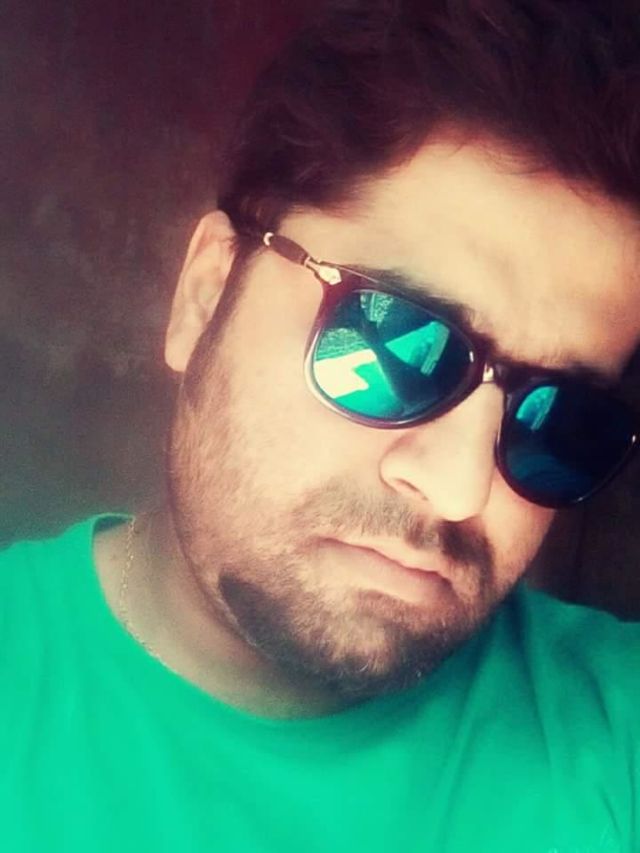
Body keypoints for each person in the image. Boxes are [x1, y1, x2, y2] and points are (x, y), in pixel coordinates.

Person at [2, 1, 640, 850]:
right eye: (390, 342)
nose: (458, 489)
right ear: (206, 295)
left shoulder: (612, 729)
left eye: (561, 420)